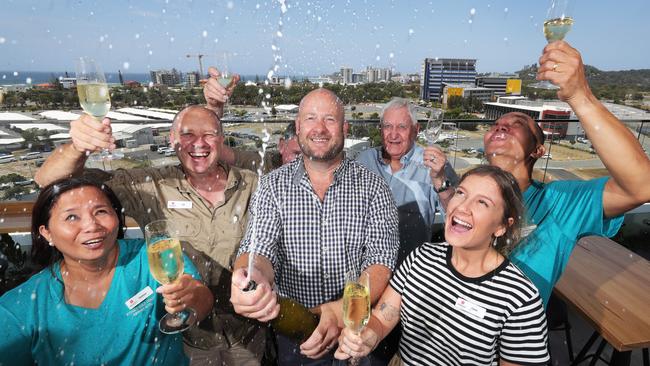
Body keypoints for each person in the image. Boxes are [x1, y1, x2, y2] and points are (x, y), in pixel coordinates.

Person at [34, 106, 266, 365]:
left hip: (249, 333)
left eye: (209, 134)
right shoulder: (150, 186)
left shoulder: (255, 185)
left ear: (221, 140)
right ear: (172, 139)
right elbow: (49, 181)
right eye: (187, 134)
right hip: (188, 340)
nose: (198, 143)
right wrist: (77, 147)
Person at [230, 88, 400, 365]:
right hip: (296, 334)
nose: (319, 128)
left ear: (344, 127)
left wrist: (343, 311)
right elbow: (259, 249)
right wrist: (250, 276)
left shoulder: (374, 187)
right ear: (298, 127)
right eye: (310, 118)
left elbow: (380, 261)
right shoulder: (272, 186)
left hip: (355, 332)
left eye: (330, 120)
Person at [482, 41, 650, 306]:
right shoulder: (469, 192)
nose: (502, 126)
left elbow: (641, 186)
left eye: (518, 124)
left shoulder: (559, 204)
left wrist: (580, 96)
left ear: (538, 150)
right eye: (496, 124)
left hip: (510, 341)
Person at [335, 166, 550, 366]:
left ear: (502, 226)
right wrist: (367, 338)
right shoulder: (420, 258)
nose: (463, 206)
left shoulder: (521, 299)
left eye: (482, 202)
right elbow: (382, 319)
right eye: (461, 193)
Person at [0, 178, 212, 365]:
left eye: (100, 211)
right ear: (47, 233)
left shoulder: (153, 254)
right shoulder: (20, 308)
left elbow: (201, 301)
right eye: (72, 217)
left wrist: (191, 298)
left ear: (117, 217)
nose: (91, 225)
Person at [357, 97, 459, 265]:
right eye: (387, 126)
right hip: (366, 267)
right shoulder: (364, 160)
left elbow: (455, 213)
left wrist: (440, 179)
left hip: (410, 271)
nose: (393, 134)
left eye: (402, 127)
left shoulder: (434, 165)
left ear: (416, 130)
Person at [203, 66, 302, 174]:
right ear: (282, 146)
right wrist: (214, 107)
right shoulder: (263, 165)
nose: (304, 164)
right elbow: (214, 152)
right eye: (296, 154)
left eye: (312, 157)